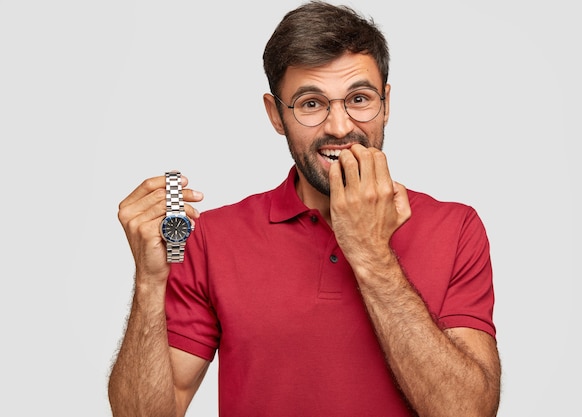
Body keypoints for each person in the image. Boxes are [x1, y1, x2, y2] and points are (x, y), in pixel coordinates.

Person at [108, 1, 501, 416]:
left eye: (360, 98)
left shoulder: (456, 227)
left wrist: (371, 254)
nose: (339, 126)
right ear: (276, 114)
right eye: (311, 104)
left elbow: (468, 412)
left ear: (386, 103)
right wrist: (150, 284)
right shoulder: (213, 237)